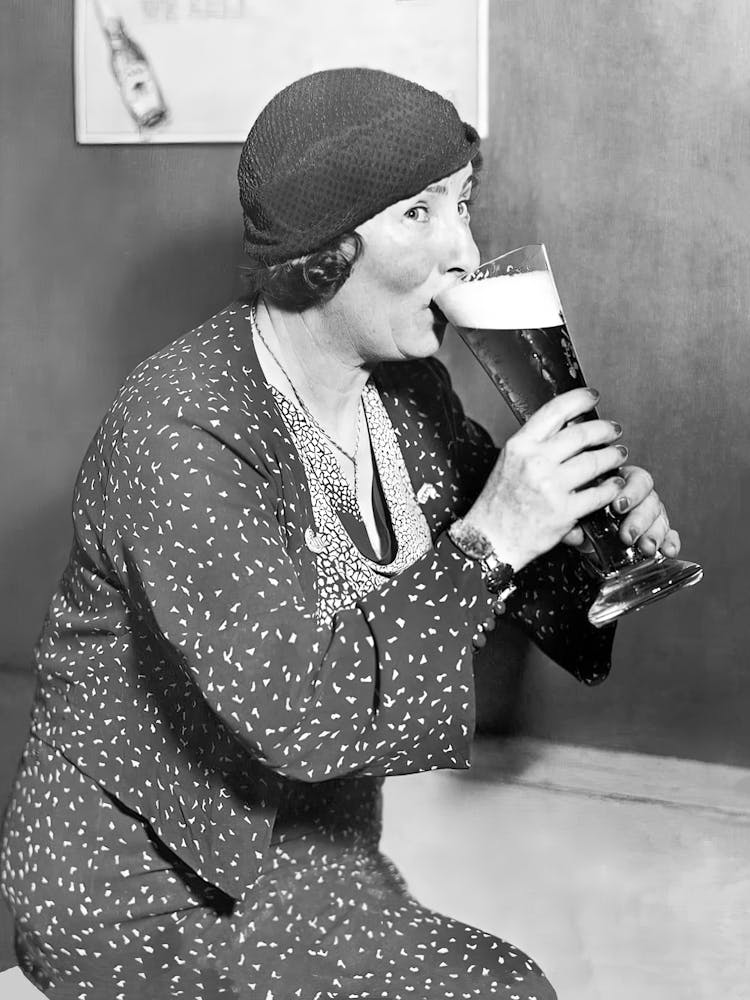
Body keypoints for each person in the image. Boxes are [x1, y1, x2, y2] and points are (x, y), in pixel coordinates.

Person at [0, 69, 678, 1000]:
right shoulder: (179, 430)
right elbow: (300, 712)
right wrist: (491, 538)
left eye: (464, 205)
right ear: (323, 250)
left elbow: (521, 594)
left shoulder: (409, 395)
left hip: (319, 855)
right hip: (139, 884)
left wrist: (592, 542)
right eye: (419, 214)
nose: (465, 252)